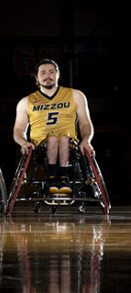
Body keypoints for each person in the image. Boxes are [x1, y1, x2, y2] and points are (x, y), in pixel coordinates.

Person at [12, 59, 95, 195]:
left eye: (51, 72)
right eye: (43, 73)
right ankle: (52, 178)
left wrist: (86, 140)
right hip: (40, 146)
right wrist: (23, 142)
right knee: (52, 138)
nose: (47, 76)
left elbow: (85, 123)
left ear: (58, 74)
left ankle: (62, 178)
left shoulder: (75, 95)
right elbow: (18, 130)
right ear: (37, 77)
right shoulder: (26, 101)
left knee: (62, 138)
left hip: (69, 144)